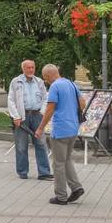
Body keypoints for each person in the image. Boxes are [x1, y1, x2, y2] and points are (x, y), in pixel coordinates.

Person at [35, 63, 84, 206]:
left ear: (49, 75)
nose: (45, 81)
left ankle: (61, 197)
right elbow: (82, 103)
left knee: (58, 164)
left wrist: (40, 128)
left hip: (61, 130)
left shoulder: (55, 86)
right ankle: (76, 187)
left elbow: (50, 109)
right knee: (66, 159)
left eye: (45, 78)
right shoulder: (71, 84)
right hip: (73, 128)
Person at [7, 59, 51, 182]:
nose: (31, 70)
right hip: (22, 117)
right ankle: (22, 172)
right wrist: (15, 116)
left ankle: (44, 173)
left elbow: (45, 98)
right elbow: (10, 99)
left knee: (41, 144)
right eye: (28, 68)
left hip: (37, 116)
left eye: (33, 67)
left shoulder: (39, 82)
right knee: (21, 145)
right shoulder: (16, 82)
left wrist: (42, 112)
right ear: (23, 69)